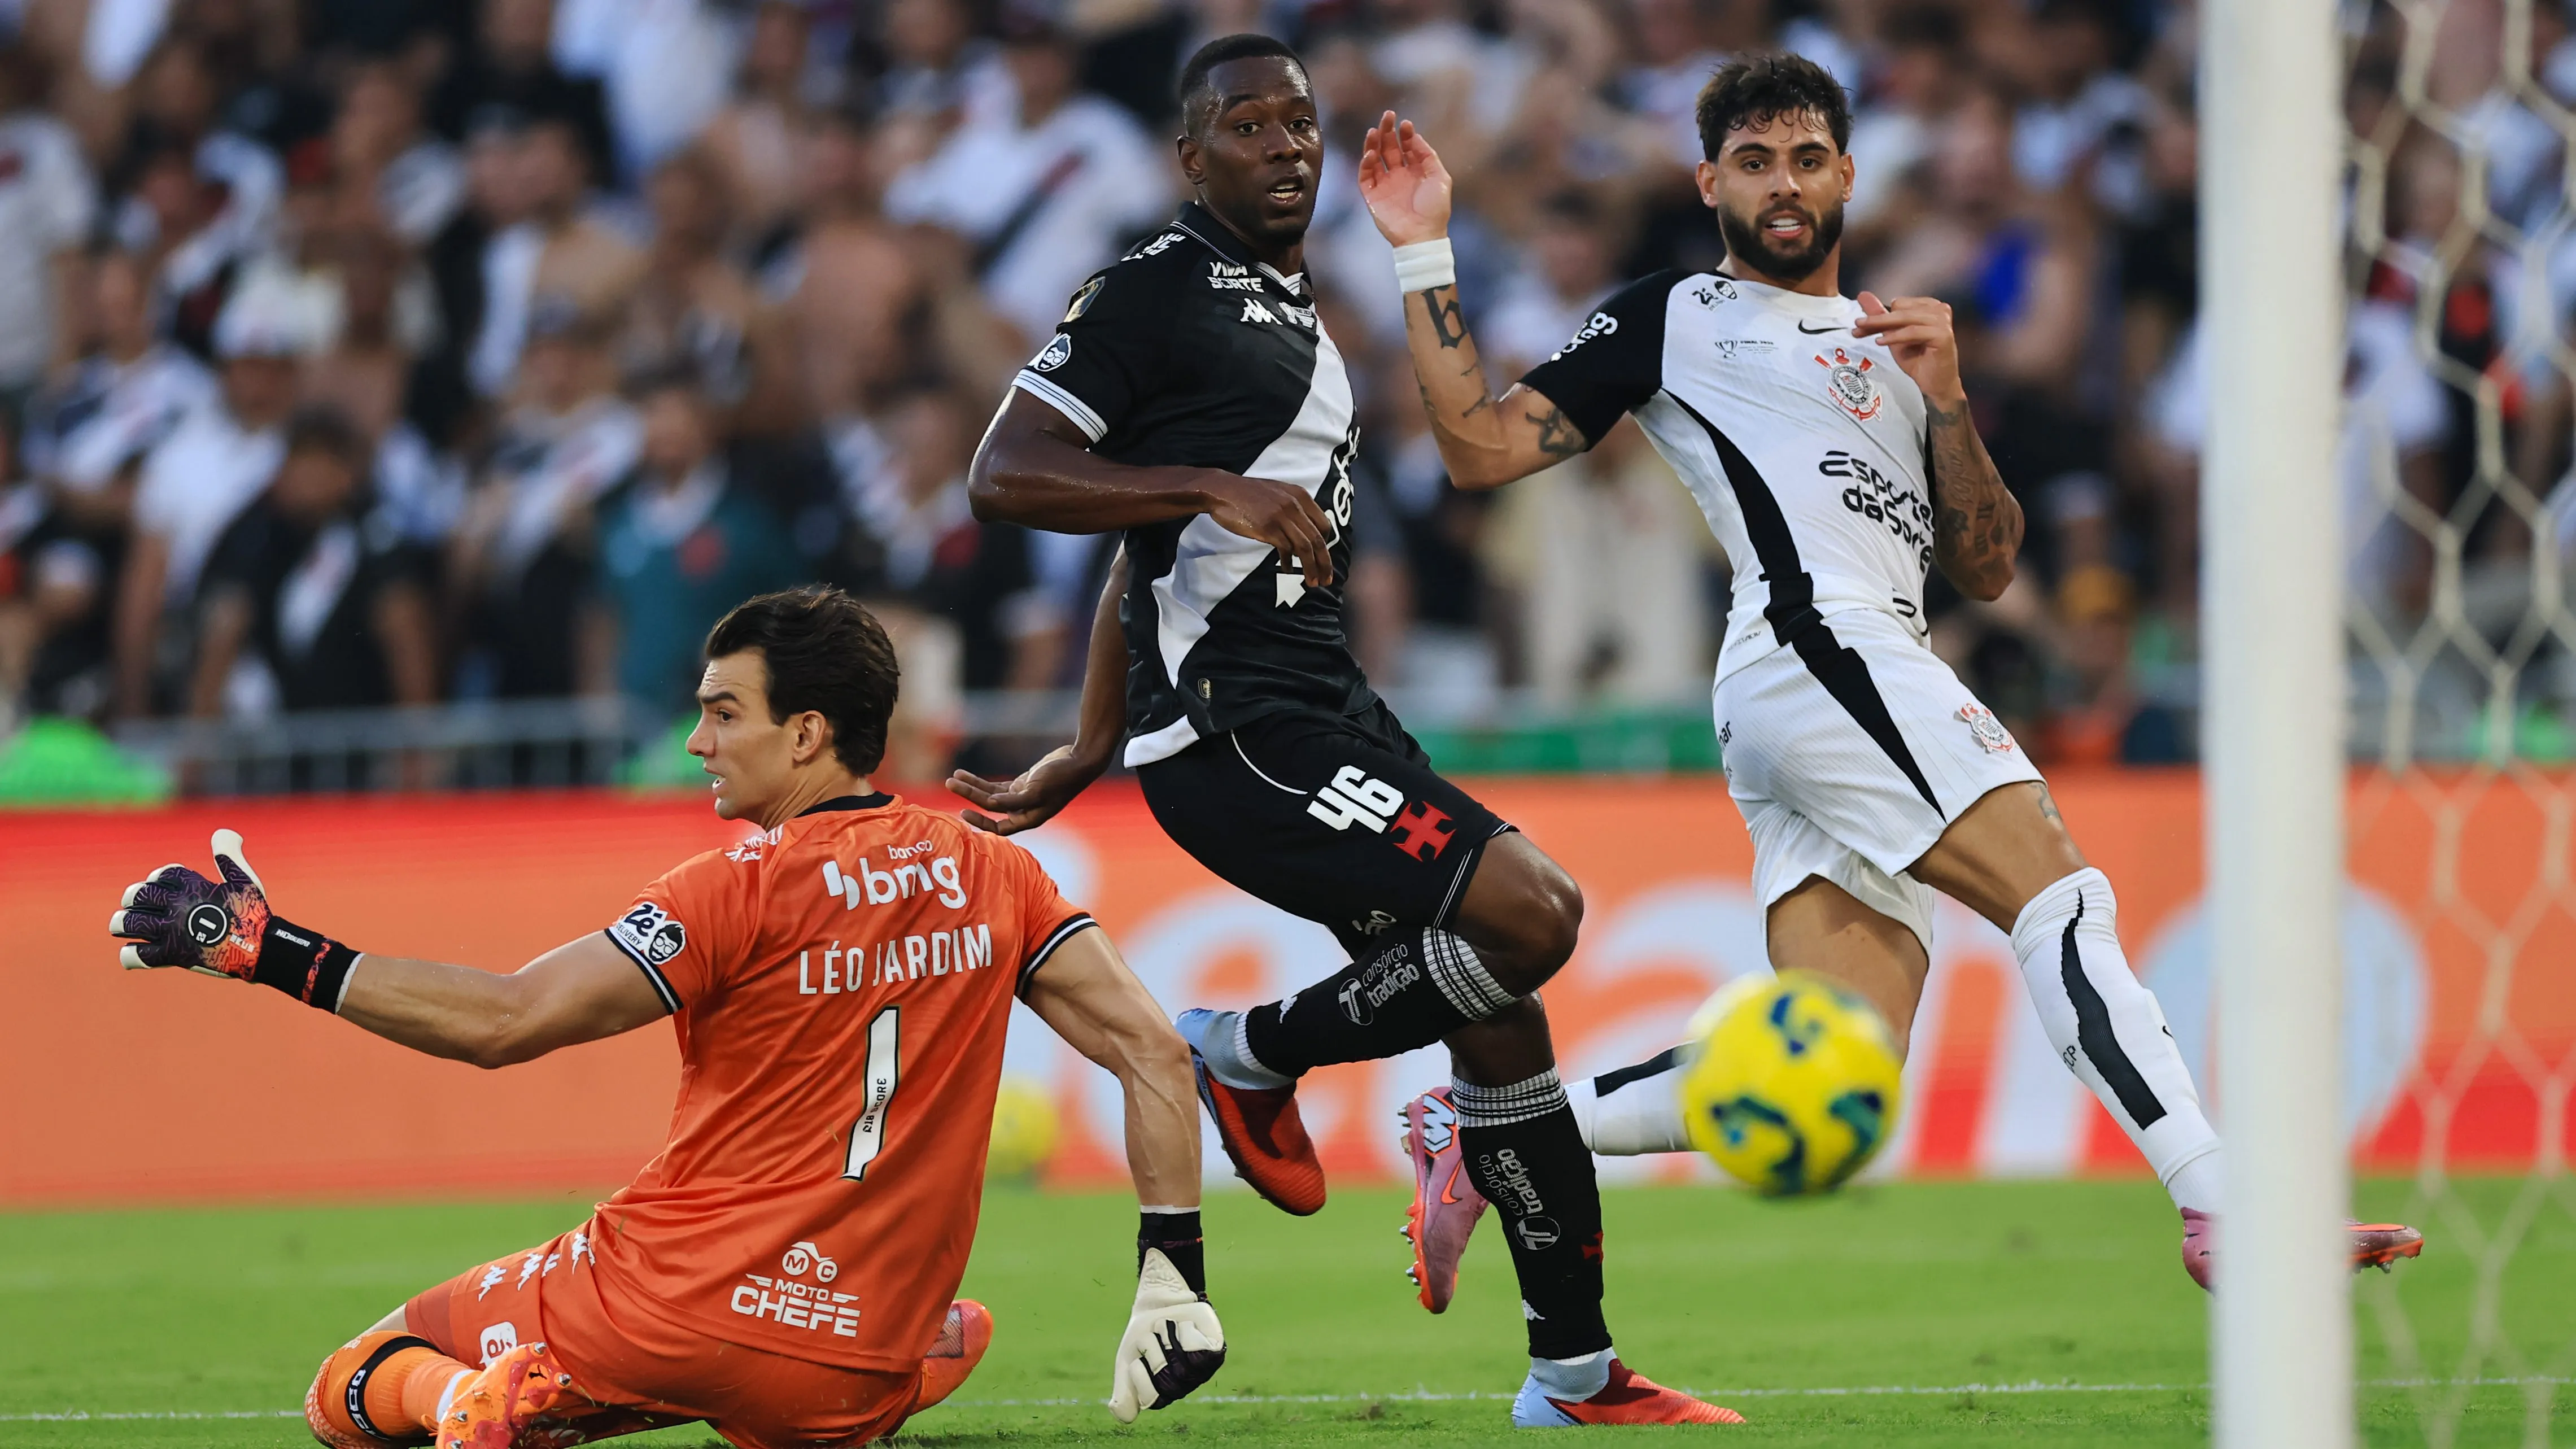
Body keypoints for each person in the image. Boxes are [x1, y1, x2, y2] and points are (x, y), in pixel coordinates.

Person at [1353, 54, 2427, 1304]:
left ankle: (1487, 1127)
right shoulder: (1677, 314)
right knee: (2060, 898)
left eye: (1806, 157)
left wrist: (1952, 403)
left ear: (1848, 173)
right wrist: (1422, 249)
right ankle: (2219, 1200)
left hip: (1854, 665)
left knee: (1841, 1052)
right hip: (1815, 644)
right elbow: (1480, 449)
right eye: (1753, 161)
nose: (1784, 183)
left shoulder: (1896, 340)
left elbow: (1985, 561)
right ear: (1709, 181)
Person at [953, 33, 1738, 1429]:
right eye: (1246, 127)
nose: (1285, 146)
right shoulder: (1155, 288)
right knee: (1535, 913)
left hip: (1315, 709)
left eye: (1298, 122)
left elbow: (1150, 553)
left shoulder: (1287, 303)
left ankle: (1572, 1375)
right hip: (1241, 731)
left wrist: (1086, 738)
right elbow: (1006, 471)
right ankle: (1243, 1048)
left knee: (1502, 1011)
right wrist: (1208, 495)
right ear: (1190, 157)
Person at [107, 586, 1226, 1449]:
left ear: (807, 734)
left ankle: (468, 1403)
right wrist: (1170, 1263)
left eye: (722, 712)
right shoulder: (1000, 875)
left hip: (664, 1302)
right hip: (849, 1361)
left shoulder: (731, 886)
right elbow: (1151, 1047)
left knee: (350, 1383)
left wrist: (275, 950)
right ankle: (806, 1368)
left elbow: (511, 1018)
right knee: (945, 1327)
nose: (697, 742)